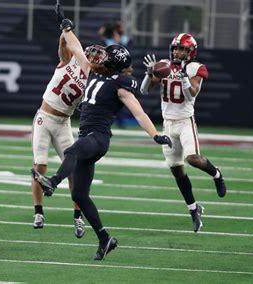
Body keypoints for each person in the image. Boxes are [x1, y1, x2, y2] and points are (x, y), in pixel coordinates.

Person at [32, 9, 172, 261]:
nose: (98, 56)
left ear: (113, 64)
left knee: (71, 151)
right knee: (79, 195)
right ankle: (105, 239)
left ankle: (52, 181)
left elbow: (138, 112)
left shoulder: (121, 84)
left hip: (98, 138)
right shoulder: (93, 72)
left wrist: (155, 135)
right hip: (88, 135)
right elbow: (75, 47)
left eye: (105, 56)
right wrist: (66, 28)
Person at [140, 33, 227, 233]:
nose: (178, 52)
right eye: (177, 48)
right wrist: (148, 74)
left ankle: (217, 175)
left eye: (183, 49)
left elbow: (191, 93)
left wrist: (184, 77)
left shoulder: (196, 68)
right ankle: (194, 209)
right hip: (168, 124)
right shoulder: (163, 65)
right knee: (177, 171)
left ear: (191, 52)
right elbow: (145, 91)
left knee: (193, 158)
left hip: (185, 121)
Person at [31, 32, 94, 237]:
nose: (92, 58)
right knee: (40, 165)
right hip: (44, 118)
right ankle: (38, 212)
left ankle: (78, 216)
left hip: (64, 123)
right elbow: (64, 45)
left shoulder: (92, 80)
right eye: (90, 55)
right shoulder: (69, 60)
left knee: (73, 169)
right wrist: (63, 33)